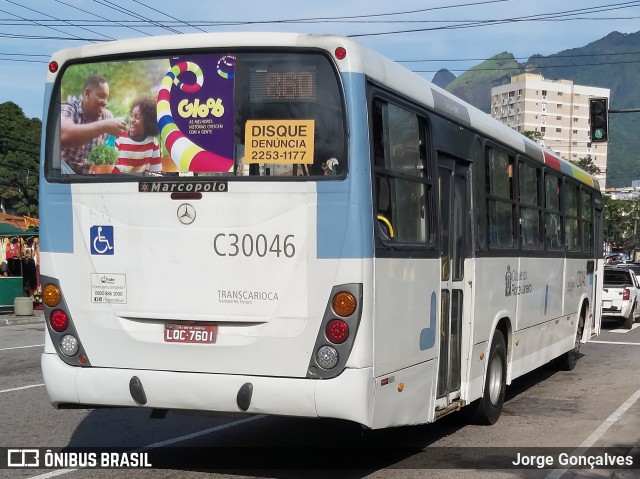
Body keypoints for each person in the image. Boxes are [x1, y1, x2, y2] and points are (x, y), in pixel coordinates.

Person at [60, 74, 127, 175]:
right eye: (101, 96)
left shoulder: (107, 117)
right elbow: (64, 135)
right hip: (66, 176)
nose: (105, 103)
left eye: (107, 98)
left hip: (91, 179)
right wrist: (104, 126)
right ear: (87, 93)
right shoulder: (68, 109)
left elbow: (112, 152)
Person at [114, 96, 162, 174]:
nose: (132, 120)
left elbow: (156, 172)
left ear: (148, 122)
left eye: (137, 117)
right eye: (131, 116)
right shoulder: (120, 138)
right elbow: (110, 170)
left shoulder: (152, 142)